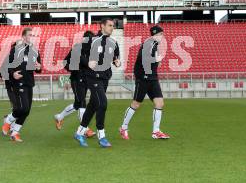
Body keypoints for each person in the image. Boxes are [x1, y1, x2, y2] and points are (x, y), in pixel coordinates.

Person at [74, 18, 120, 148]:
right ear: (102, 26)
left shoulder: (113, 42)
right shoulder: (91, 40)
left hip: (105, 77)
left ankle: (79, 132)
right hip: (92, 77)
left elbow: (116, 57)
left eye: (113, 25)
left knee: (93, 106)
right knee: (102, 103)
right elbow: (77, 54)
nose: (112, 28)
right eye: (110, 25)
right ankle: (102, 136)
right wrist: (87, 62)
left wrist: (117, 62)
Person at [119, 25, 170, 140]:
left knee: (159, 103)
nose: (161, 36)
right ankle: (123, 127)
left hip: (152, 77)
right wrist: (156, 60)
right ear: (154, 35)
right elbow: (144, 59)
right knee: (136, 104)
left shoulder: (155, 44)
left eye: (162, 34)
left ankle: (156, 132)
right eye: (159, 34)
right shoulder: (148, 43)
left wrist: (157, 62)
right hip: (143, 77)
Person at [2, 28, 41, 143]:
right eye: (30, 35)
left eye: (33, 35)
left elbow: (38, 67)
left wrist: (39, 67)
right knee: (23, 108)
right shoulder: (16, 50)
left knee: (27, 110)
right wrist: (13, 73)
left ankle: (15, 133)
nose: (31, 37)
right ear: (23, 36)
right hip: (19, 83)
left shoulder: (35, 50)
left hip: (29, 82)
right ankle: (8, 121)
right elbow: (7, 66)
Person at [54, 31, 95, 138]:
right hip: (76, 79)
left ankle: (59, 117)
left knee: (77, 104)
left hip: (86, 80)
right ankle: (85, 129)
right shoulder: (77, 48)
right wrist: (73, 68)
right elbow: (65, 62)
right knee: (82, 102)